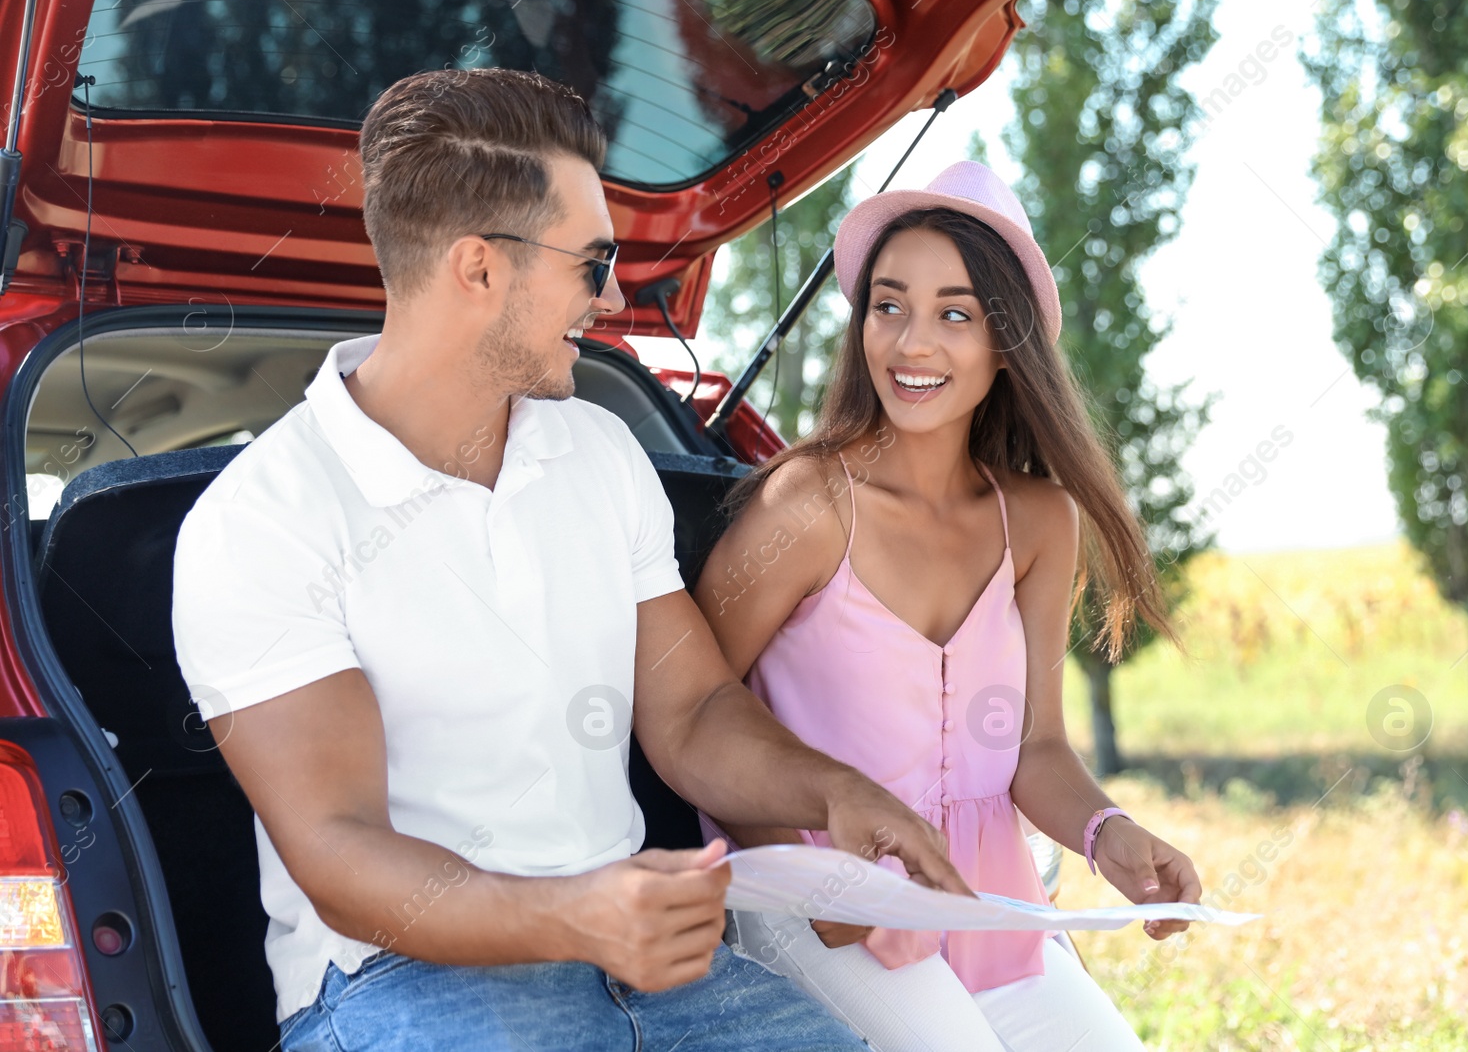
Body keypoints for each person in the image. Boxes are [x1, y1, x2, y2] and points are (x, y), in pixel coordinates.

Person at [170, 67, 977, 1052]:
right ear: (479, 270)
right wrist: (575, 913)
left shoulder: (597, 451)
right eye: (590, 262)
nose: (613, 295)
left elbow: (693, 711)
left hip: (652, 968)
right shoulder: (261, 519)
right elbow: (339, 845)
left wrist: (833, 789)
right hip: (398, 979)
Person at [691, 160, 1204, 1052]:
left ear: (1006, 345)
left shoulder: (1041, 522)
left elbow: (1036, 748)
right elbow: (690, 709)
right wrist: (814, 885)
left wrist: (1106, 832)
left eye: (954, 314)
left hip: (987, 896)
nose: (911, 343)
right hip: (817, 893)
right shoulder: (807, 505)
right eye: (888, 306)